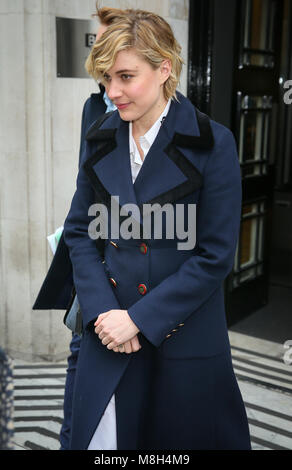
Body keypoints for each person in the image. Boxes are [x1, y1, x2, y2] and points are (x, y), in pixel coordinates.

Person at [63, 8, 251, 450]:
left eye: (126, 77)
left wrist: (139, 320)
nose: (113, 92)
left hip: (182, 338)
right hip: (108, 333)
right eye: (107, 78)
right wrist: (104, 313)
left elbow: (215, 256)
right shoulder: (99, 136)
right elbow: (79, 232)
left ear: (164, 68)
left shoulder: (213, 143)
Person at [32, 6, 131, 450]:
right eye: (99, 41)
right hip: (89, 262)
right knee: (79, 363)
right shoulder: (94, 105)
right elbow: (85, 186)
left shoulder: (168, 118)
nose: (102, 51)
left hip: (132, 268)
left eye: (110, 42)